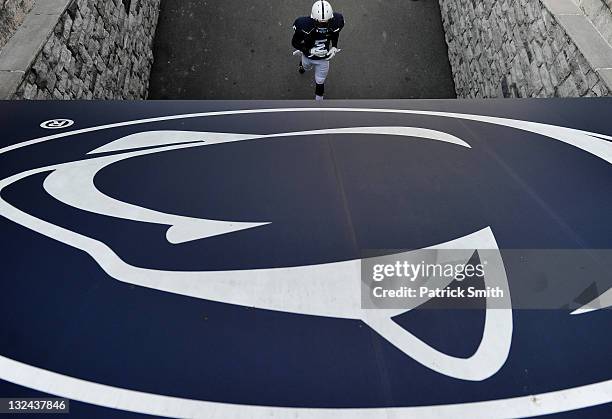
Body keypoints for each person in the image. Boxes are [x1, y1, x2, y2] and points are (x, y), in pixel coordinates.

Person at [292, 1, 345, 100]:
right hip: (308, 56)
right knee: (306, 66)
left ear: (331, 19)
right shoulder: (303, 24)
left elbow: (335, 33)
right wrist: (307, 51)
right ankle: (302, 65)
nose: (323, 26)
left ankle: (319, 101)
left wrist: (334, 46)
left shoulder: (336, 22)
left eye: (326, 22)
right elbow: (295, 42)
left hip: (323, 58)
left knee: (320, 81)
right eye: (320, 22)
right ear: (313, 19)